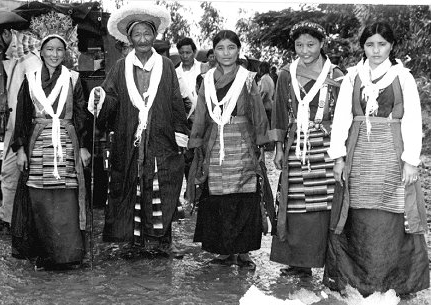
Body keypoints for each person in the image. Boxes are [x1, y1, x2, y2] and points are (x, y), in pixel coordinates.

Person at [324, 22, 429, 297]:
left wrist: (410, 161)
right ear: (363, 47)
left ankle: (396, 282)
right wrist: (338, 157)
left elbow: (412, 119)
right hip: (359, 153)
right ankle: (356, 281)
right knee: (357, 211)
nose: (376, 50)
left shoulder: (402, 77)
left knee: (393, 211)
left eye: (382, 44)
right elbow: (341, 120)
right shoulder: (352, 77)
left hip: (393, 154)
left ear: (391, 46)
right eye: (370, 44)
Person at [90, 4, 189, 257]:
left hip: (161, 138)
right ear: (130, 38)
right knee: (129, 185)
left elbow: (176, 101)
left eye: (147, 34)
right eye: (137, 35)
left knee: (162, 185)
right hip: (129, 138)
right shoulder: (120, 68)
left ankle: (160, 240)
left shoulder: (166, 66)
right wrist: (101, 96)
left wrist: (180, 135)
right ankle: (132, 242)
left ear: (154, 36)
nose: (143, 39)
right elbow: (111, 100)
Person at [11, 11, 91, 269]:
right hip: (38, 145)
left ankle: (68, 255)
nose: (55, 54)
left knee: (66, 196)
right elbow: (22, 116)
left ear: (65, 52)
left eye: (59, 49)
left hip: (67, 145)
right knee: (39, 198)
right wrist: (20, 149)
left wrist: (85, 147)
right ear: (41, 52)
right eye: (50, 49)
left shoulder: (75, 79)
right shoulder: (30, 80)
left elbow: (81, 115)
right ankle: (44, 253)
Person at [187, 30, 270, 270]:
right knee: (217, 196)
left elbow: (257, 113)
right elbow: (201, 113)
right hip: (215, 141)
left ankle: (243, 252)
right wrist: (196, 144)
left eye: (231, 48)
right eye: (221, 48)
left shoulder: (247, 79)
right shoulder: (207, 80)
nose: (226, 53)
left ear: (238, 50)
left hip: (242, 141)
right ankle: (223, 251)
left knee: (244, 194)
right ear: (214, 52)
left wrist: (261, 145)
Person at [269, 21, 344, 277]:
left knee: (326, 203)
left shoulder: (336, 76)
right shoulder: (285, 74)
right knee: (296, 203)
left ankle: (327, 260)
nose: (305, 50)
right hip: (296, 145)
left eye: (311, 44)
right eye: (299, 45)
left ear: (322, 44)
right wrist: (278, 147)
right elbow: (279, 113)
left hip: (326, 145)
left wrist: (341, 153)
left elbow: (343, 115)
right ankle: (299, 262)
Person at [0, 9, 41, 235]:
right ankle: (8, 219)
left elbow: (35, 101)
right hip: (12, 127)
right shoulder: (14, 60)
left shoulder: (31, 61)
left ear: (7, 34)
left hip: (25, 130)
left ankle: (17, 221)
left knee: (17, 175)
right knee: (8, 174)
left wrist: (23, 137)